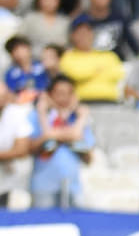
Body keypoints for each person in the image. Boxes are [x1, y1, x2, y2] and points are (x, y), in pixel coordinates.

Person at [29, 75, 94, 209]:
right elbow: (30, 148)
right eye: (59, 93)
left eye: (68, 94)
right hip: (43, 186)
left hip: (72, 186)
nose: (63, 98)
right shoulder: (35, 116)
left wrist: (78, 121)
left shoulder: (77, 118)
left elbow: (88, 158)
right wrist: (43, 118)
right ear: (48, 95)